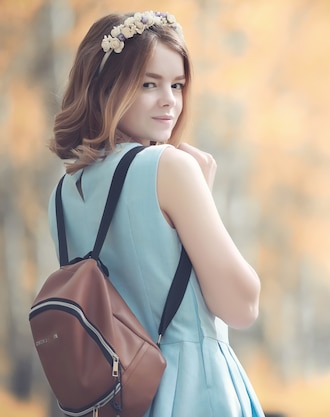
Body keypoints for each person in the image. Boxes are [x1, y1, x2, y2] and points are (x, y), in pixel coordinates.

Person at [48, 10, 264, 417]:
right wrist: (201, 195)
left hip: (114, 400)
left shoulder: (62, 195)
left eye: (177, 85)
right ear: (105, 88)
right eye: (149, 83)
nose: (170, 100)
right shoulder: (171, 168)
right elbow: (241, 305)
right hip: (193, 389)